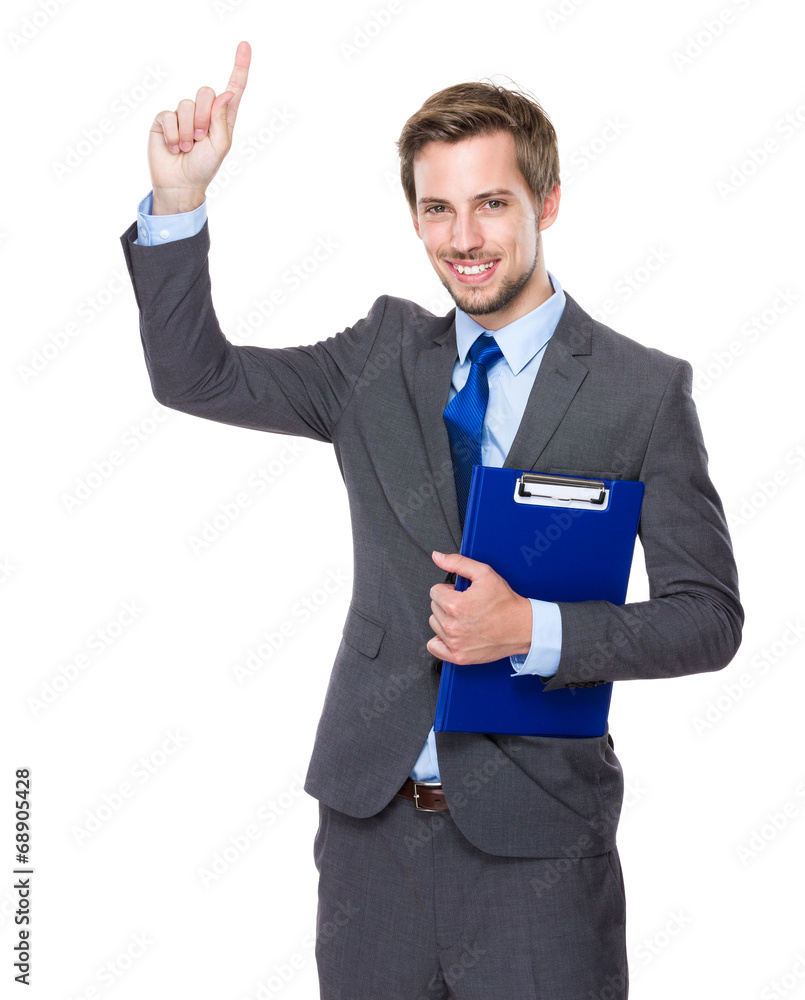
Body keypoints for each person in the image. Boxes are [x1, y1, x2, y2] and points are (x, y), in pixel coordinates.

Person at [119, 40, 743, 1000]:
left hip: (539, 850)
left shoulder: (640, 391)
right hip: (372, 841)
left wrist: (529, 630)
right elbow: (195, 376)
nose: (463, 237)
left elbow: (708, 616)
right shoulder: (377, 356)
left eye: (491, 202)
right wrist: (178, 202)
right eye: (436, 208)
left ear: (547, 203)